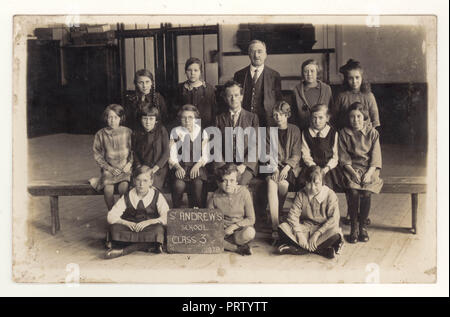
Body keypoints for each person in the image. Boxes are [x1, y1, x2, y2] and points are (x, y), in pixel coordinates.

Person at [338, 102, 383, 243]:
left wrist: (369, 173)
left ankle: (363, 226)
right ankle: (354, 227)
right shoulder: (344, 133)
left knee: (366, 193)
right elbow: (343, 157)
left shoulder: (372, 133)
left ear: (364, 117)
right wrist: (352, 173)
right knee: (353, 191)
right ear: (348, 118)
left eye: (358, 116)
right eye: (352, 117)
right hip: (351, 169)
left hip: (369, 168)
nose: (355, 120)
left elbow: (376, 157)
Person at [278, 166, 344, 259]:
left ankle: (299, 249)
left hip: (322, 231)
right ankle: (321, 250)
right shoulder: (301, 193)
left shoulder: (330, 195)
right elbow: (293, 215)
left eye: (316, 183)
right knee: (282, 227)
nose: (312, 187)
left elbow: (334, 219)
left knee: (335, 233)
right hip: (305, 228)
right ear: (305, 182)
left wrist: (317, 233)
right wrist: (299, 234)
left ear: (322, 183)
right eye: (309, 183)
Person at [105, 166, 169, 259]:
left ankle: (124, 250)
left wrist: (149, 222)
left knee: (158, 230)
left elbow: (167, 216)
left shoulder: (157, 195)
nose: (141, 184)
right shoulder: (128, 195)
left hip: (149, 228)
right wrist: (126, 223)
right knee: (114, 228)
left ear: (151, 182)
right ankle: (148, 245)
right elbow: (111, 216)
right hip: (131, 227)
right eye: (138, 180)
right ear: (134, 181)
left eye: (145, 181)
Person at [265, 101, 302, 244]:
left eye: (281, 114)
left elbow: (296, 154)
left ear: (287, 115)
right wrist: (274, 168)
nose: (278, 118)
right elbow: (267, 153)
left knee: (284, 185)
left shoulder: (295, 130)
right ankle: (275, 226)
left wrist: (287, 167)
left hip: (289, 167)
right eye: (275, 115)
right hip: (271, 164)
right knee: (271, 183)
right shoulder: (269, 130)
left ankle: (278, 213)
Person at [215, 80, 259, 186]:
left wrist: (244, 165)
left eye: (236, 95)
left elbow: (256, 145)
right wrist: (223, 165)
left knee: (239, 184)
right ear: (225, 98)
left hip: (246, 165)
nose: (233, 99)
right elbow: (215, 146)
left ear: (241, 97)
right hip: (225, 164)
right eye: (230, 96)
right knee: (226, 184)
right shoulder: (219, 118)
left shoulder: (252, 118)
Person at [90, 104, 132, 210]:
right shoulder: (101, 134)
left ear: (121, 118)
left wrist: (130, 164)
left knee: (124, 188)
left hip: (125, 168)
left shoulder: (127, 132)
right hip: (109, 169)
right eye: (110, 117)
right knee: (108, 189)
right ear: (106, 118)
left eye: (116, 117)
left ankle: (123, 212)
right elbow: (97, 154)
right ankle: (112, 212)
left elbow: (134, 151)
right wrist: (109, 168)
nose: (113, 120)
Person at [207, 164, 256, 256]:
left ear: (237, 182)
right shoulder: (214, 196)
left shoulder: (244, 193)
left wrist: (233, 227)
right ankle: (236, 248)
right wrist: (222, 229)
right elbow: (211, 221)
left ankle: (228, 245)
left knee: (250, 232)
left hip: (238, 229)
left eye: (232, 180)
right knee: (208, 235)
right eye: (225, 181)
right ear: (219, 182)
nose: (228, 184)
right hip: (222, 231)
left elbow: (251, 219)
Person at [233, 40, 282, 126]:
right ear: (249, 54)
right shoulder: (239, 75)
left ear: (265, 55)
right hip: (244, 121)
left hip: (267, 122)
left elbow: (279, 102)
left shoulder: (274, 75)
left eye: (260, 52)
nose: (256, 55)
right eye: (253, 52)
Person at [169, 104, 209, 208]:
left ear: (196, 119)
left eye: (190, 117)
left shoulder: (202, 132)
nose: (187, 120)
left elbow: (205, 155)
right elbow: (172, 154)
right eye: (184, 117)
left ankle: (196, 212)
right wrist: (177, 167)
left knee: (198, 184)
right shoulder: (175, 131)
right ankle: (177, 213)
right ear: (180, 119)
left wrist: (197, 165)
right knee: (179, 185)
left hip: (197, 166)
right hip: (181, 166)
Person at [298, 104, 343, 191]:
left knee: (327, 187)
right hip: (311, 166)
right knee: (308, 186)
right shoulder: (306, 133)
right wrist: (314, 167)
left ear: (327, 118)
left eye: (321, 118)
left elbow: (335, 157)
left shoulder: (333, 133)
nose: (317, 121)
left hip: (328, 168)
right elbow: (305, 154)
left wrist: (326, 169)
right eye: (314, 117)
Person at [334, 59, 380, 130]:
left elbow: (375, 121)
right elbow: (334, 118)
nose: (354, 81)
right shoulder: (341, 96)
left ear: (362, 78)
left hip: (365, 135)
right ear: (346, 79)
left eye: (357, 77)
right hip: (345, 135)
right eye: (350, 78)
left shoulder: (369, 96)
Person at [132, 106, 170, 191]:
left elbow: (166, 152)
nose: (148, 122)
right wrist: (139, 167)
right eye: (145, 118)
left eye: (151, 119)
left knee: (151, 189)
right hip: (141, 166)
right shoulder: (136, 132)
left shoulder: (161, 130)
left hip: (158, 167)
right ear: (141, 119)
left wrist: (154, 169)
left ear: (156, 120)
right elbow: (134, 152)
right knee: (139, 187)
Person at [173, 57, 217, 128]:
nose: (192, 73)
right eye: (189, 70)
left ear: (201, 72)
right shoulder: (180, 88)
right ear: (185, 71)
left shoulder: (208, 89)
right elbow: (176, 111)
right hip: (185, 126)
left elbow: (213, 111)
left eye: (196, 70)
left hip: (205, 126)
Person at [293, 59, 333, 130]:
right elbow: (294, 114)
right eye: (306, 71)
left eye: (312, 71)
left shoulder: (326, 89)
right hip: (303, 128)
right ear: (302, 73)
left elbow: (331, 111)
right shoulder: (296, 90)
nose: (309, 74)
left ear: (317, 72)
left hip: (323, 129)